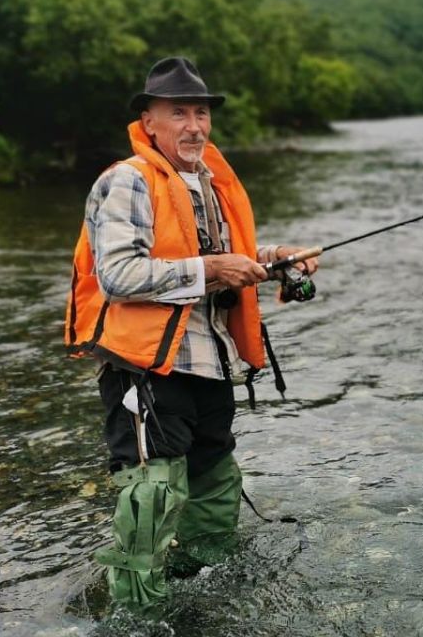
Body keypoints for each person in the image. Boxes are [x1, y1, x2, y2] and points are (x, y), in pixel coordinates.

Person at [63, 56, 318, 608]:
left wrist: (274, 258)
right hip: (146, 367)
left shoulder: (208, 185)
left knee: (215, 484)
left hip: (209, 361)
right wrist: (213, 268)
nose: (194, 127)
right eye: (178, 113)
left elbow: (222, 256)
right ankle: (137, 613)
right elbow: (118, 275)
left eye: (201, 113)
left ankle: (203, 601)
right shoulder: (127, 180)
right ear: (149, 122)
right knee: (152, 494)